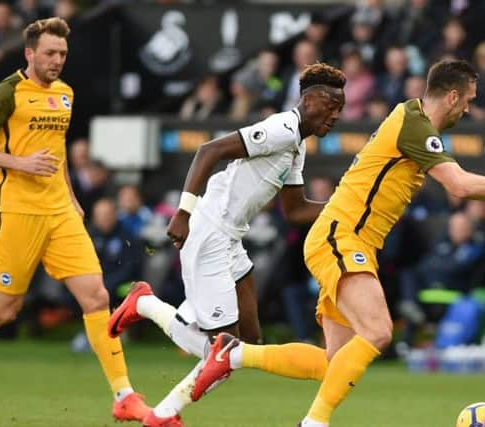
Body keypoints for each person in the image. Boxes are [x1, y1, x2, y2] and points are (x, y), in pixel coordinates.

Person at [192, 59, 485, 427]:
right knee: (379, 331)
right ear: (451, 95)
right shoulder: (415, 125)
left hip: (346, 238)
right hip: (342, 235)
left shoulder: (411, 121)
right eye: (469, 99)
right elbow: (459, 185)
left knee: (333, 363)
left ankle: (234, 356)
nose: (469, 107)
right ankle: (313, 423)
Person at [0, 17, 149, 422]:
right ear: (29, 53)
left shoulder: (65, 94)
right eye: (50, 53)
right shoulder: (7, 92)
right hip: (17, 213)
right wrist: (21, 162)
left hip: (60, 213)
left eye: (62, 54)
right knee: (3, 310)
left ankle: (123, 395)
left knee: (97, 298)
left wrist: (70, 196)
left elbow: (57, 148)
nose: (57, 60)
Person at [108, 62, 346, 427]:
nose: (335, 116)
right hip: (208, 231)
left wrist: (351, 206)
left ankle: (144, 302)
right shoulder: (281, 128)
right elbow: (209, 150)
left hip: (231, 236)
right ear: (310, 100)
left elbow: (296, 210)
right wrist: (183, 213)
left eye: (340, 110)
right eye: (331, 106)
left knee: (248, 340)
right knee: (225, 354)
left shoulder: (296, 145)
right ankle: (163, 414)